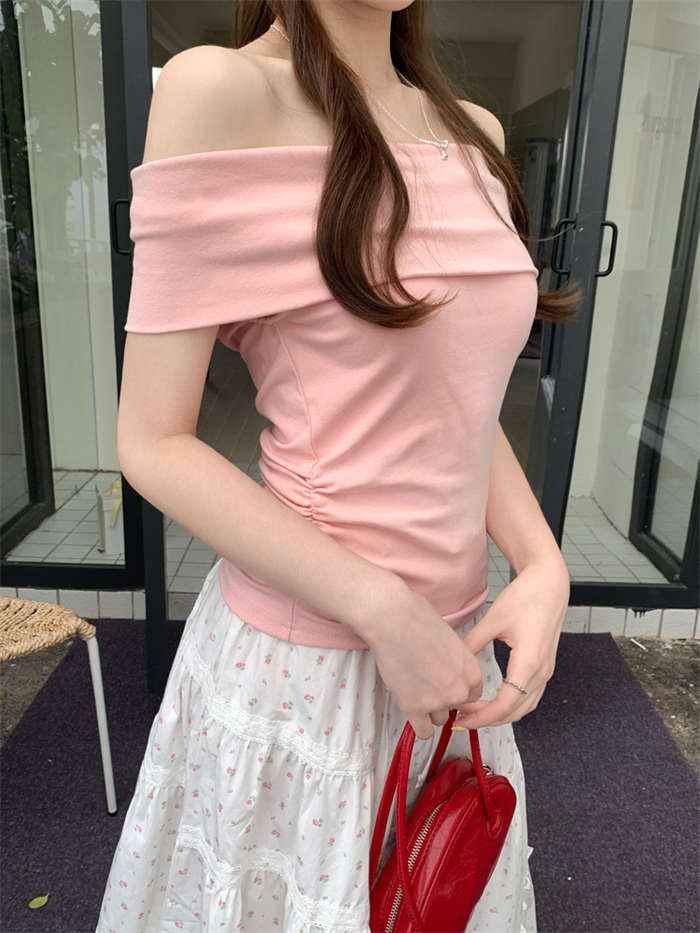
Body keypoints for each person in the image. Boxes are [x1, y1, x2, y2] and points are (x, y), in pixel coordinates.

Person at [97, 2, 578, 930]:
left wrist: (542, 562)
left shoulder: (472, 131)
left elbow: (455, 405)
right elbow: (152, 440)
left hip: (448, 656)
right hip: (306, 671)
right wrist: (383, 607)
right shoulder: (220, 92)